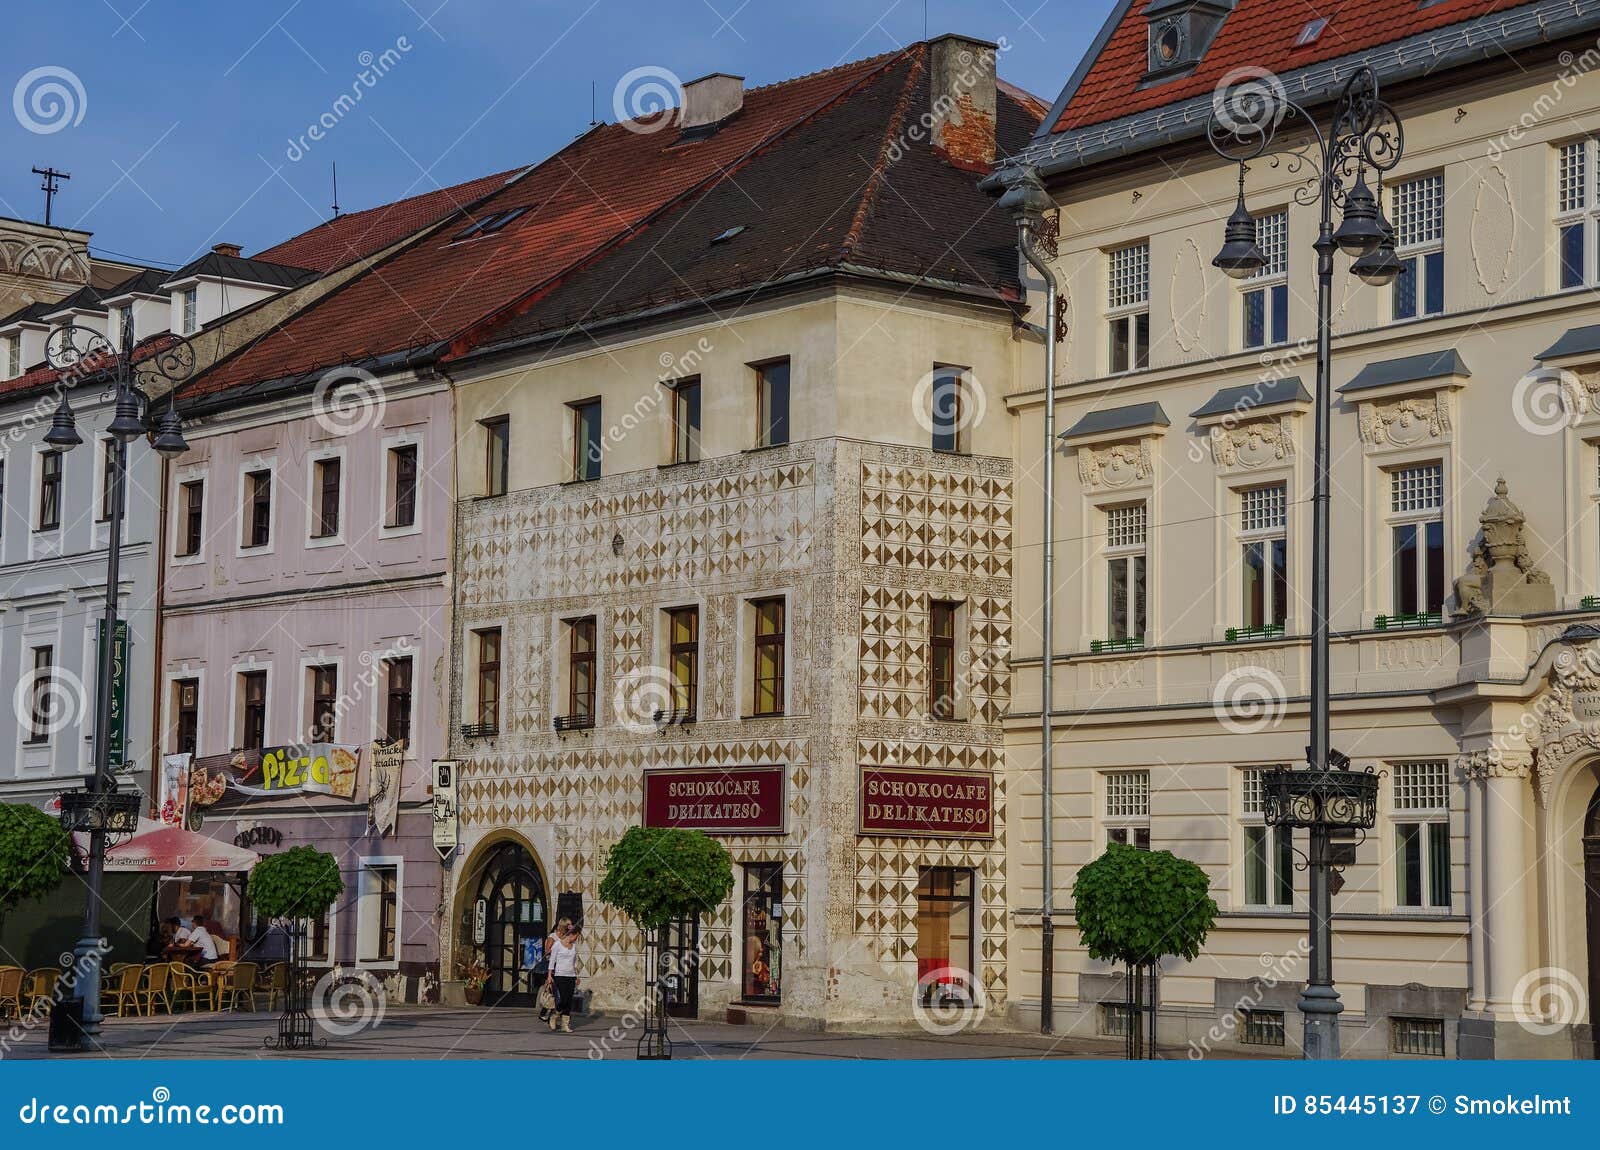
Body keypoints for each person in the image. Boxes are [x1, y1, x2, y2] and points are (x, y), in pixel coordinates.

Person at [545, 919, 581, 1033]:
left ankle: (565, 1024)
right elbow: (552, 960)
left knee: (569, 1000)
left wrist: (577, 975)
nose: (577, 939)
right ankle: (554, 1016)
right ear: (571, 934)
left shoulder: (574, 947)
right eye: (576, 936)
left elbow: (575, 962)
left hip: (571, 975)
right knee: (562, 999)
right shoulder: (557, 945)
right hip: (560, 974)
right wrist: (549, 975)